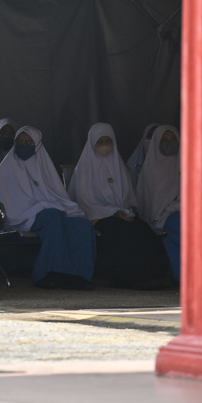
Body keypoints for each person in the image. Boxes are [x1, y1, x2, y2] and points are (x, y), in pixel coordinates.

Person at [0, 126, 96, 289]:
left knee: (82, 225)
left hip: (44, 212)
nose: (24, 145)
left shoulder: (44, 167)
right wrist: (41, 207)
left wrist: (51, 206)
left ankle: (78, 275)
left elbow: (56, 194)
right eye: (20, 141)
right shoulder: (7, 167)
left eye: (29, 142)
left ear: (37, 145)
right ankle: (48, 274)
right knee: (53, 217)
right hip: (19, 216)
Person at [68, 123, 171, 289]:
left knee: (143, 230)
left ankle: (151, 275)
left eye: (108, 141)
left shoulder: (119, 165)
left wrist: (126, 211)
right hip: (97, 216)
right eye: (100, 141)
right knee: (121, 232)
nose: (104, 145)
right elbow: (85, 201)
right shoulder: (84, 169)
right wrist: (113, 212)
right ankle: (127, 278)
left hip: (120, 214)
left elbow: (128, 196)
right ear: (92, 143)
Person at [136, 125, 181, 281]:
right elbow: (152, 204)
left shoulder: (189, 165)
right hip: (163, 216)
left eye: (173, 139)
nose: (169, 142)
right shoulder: (151, 169)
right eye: (165, 140)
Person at [126, 123, 159, 190]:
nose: (152, 140)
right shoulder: (132, 165)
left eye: (156, 137)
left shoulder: (172, 165)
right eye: (150, 136)